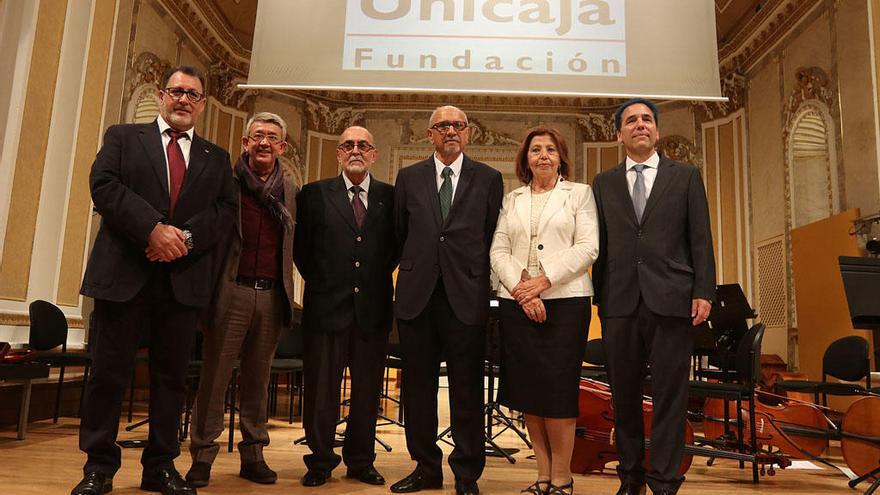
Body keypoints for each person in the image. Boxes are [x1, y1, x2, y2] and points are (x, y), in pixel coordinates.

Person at [73, 66, 236, 495]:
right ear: (163, 96)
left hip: (181, 281)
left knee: (171, 379)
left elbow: (223, 210)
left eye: (193, 95)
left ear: (202, 105)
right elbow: (103, 186)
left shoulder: (215, 158)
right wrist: (152, 229)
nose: (184, 100)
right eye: (177, 91)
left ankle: (160, 466)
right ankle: (99, 467)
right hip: (123, 276)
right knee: (108, 374)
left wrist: (182, 238)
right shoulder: (123, 138)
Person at [591, 98, 716, 495]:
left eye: (647, 119)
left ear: (657, 130)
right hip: (620, 301)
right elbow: (601, 245)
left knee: (669, 395)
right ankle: (630, 477)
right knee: (623, 395)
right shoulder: (603, 183)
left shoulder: (686, 176)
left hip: (673, 298)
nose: (640, 125)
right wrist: (599, 297)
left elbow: (700, 239)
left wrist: (704, 291)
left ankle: (664, 479)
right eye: (631, 120)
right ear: (619, 134)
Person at [391, 106, 503, 495]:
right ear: (430, 134)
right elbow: (400, 232)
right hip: (416, 299)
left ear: (469, 133)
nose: (450, 131)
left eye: (458, 125)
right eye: (442, 126)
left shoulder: (489, 179)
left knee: (466, 390)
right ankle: (425, 468)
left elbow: (491, 236)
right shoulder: (408, 177)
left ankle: (467, 474)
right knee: (418, 390)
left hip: (465, 298)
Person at [185, 112, 298, 488]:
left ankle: (254, 453)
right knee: (214, 377)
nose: (265, 142)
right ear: (245, 143)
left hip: (271, 295)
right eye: (258, 135)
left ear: (282, 147)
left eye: (272, 137)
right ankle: (202, 455)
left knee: (257, 380)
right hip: (230, 291)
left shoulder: (291, 190)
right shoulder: (225, 183)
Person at [490, 127, 599, 495]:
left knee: (557, 390)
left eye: (550, 149)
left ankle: (562, 477)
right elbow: (498, 251)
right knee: (527, 392)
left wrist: (543, 282)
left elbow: (587, 248)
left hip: (566, 304)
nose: (543, 156)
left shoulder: (579, 194)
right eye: (535, 149)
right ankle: (541, 474)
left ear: (561, 156)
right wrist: (523, 291)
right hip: (517, 304)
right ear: (525, 158)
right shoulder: (512, 199)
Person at [293, 126, 396, 487]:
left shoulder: (390, 197)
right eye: (348, 145)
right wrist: (327, 284)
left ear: (374, 154)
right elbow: (302, 251)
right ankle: (320, 460)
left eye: (363, 145)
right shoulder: (313, 194)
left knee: (367, 393)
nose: (355, 150)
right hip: (325, 309)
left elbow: (394, 251)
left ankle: (360, 461)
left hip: (373, 309)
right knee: (321, 391)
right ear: (338, 153)